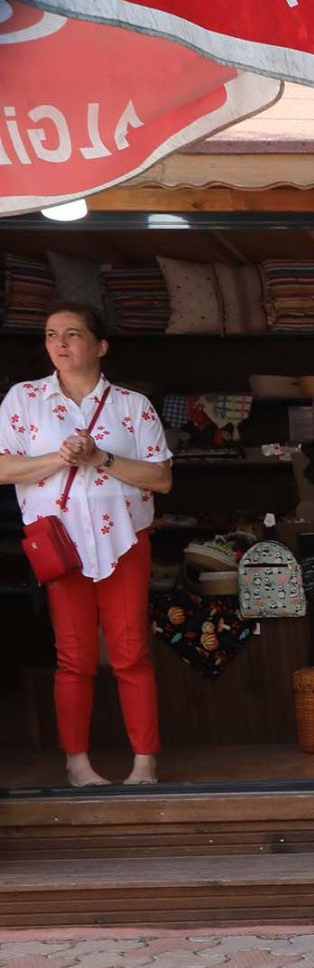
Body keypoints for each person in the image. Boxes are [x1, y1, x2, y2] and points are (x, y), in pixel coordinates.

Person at [1, 304, 171, 787]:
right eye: (52, 334)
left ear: (100, 346)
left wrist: (100, 457)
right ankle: (77, 763)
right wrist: (59, 458)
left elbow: (160, 478)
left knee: (130, 654)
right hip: (62, 545)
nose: (60, 343)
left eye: (73, 334)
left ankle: (145, 763)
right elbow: (3, 467)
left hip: (122, 540)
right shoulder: (24, 398)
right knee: (73, 658)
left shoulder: (132, 406)